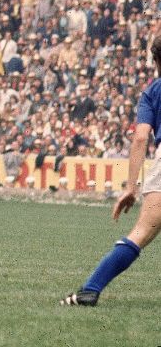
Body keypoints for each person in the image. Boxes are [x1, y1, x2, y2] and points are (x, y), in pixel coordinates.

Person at [61, 37, 161, 306]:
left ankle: (90, 290)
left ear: (155, 62)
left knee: (140, 232)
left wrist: (131, 187)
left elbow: (141, 138)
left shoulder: (153, 91)